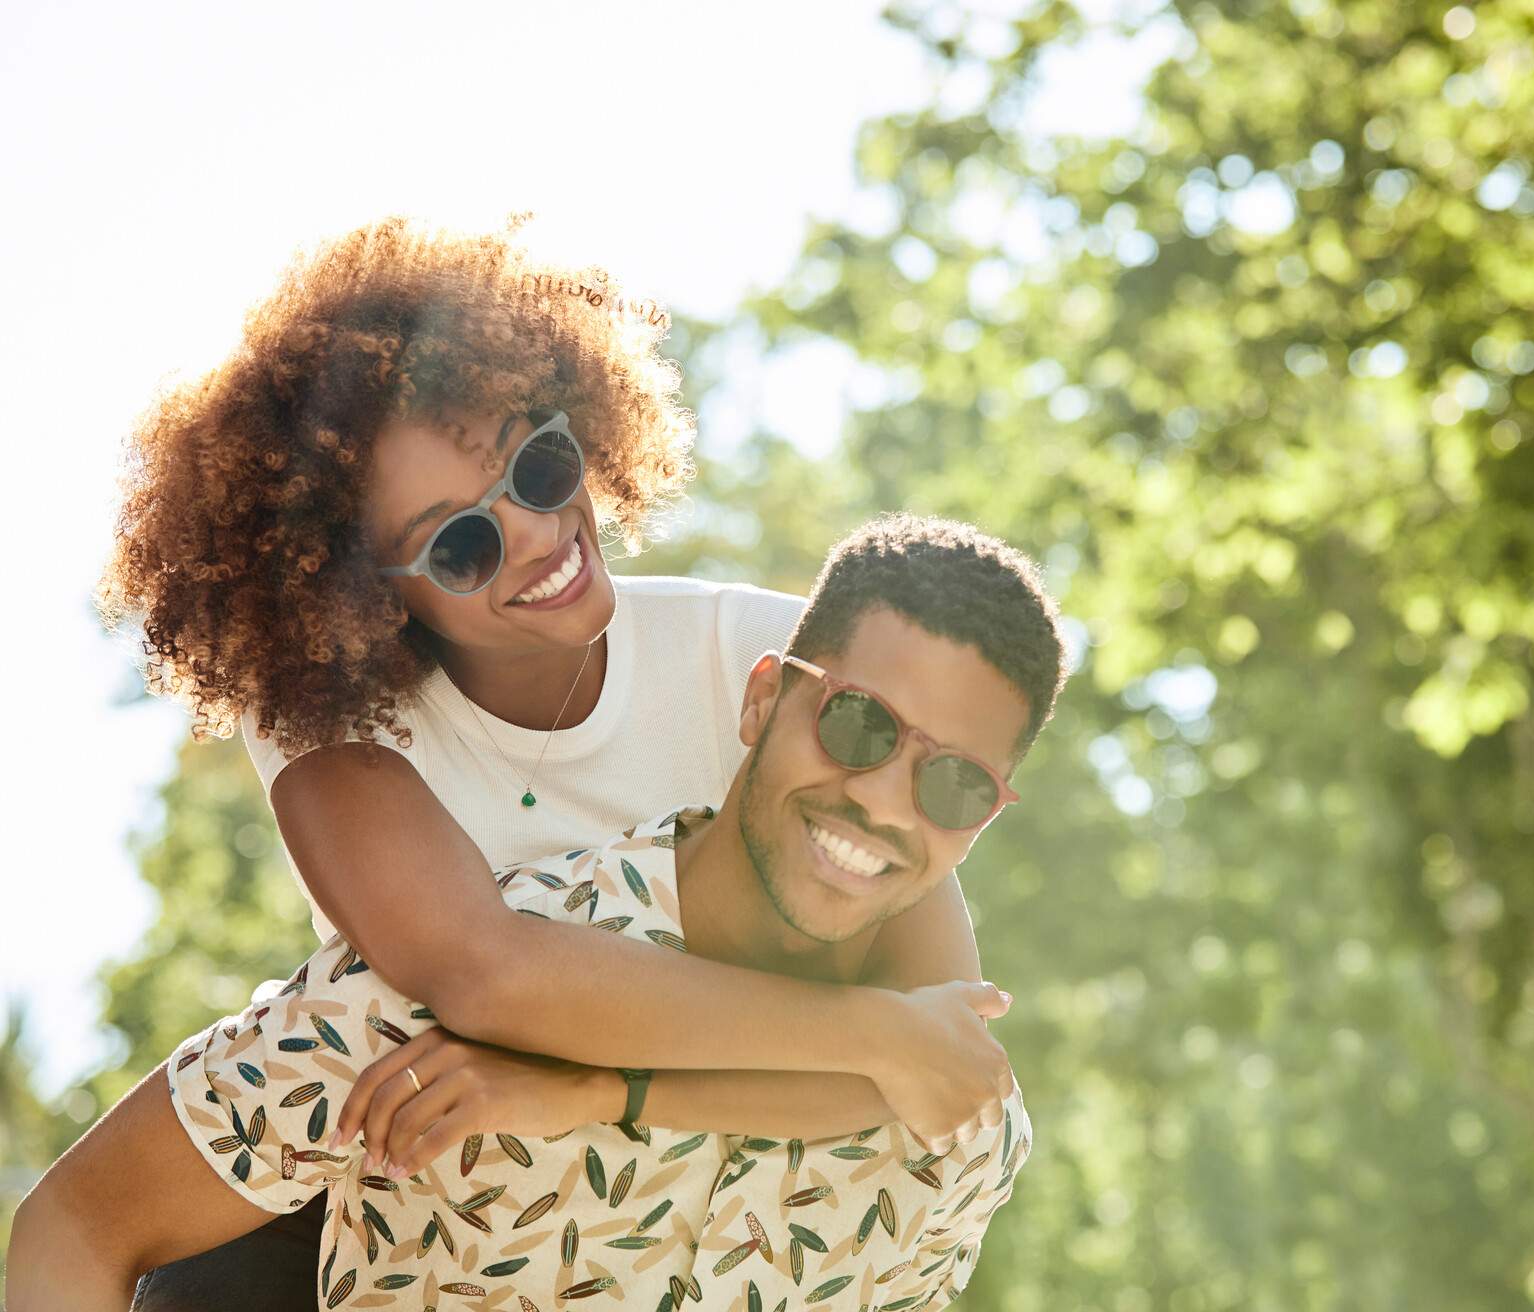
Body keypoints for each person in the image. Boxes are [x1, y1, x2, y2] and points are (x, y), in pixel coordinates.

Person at [78, 217, 1014, 1307]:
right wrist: (862, 1032)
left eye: (537, 464)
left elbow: (938, 1067)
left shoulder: (777, 671)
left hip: (639, 1206)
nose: (531, 532)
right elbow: (486, 972)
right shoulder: (333, 730)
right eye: (458, 542)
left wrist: (597, 1090)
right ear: (362, 595)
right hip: (377, 1189)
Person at [11, 514, 1064, 1311]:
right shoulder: (406, 983)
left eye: (958, 785)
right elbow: (81, 1219)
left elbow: (934, 1067)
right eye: (859, 726)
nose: (884, 799)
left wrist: (606, 1092)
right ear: (762, 702)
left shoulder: (957, 1154)